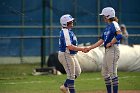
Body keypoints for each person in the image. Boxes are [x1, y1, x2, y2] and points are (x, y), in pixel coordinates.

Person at [85, 7, 122, 93]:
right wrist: (90, 48)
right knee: (105, 73)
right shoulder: (108, 27)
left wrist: (111, 43)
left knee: (113, 73)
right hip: (108, 51)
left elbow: (119, 35)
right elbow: (101, 41)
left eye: (104, 16)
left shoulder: (114, 24)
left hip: (113, 50)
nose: (103, 17)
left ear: (108, 16)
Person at [58, 14, 86, 93]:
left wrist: (80, 49)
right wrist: (82, 49)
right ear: (65, 23)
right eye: (70, 22)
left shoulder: (68, 31)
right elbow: (69, 47)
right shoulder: (65, 32)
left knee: (77, 72)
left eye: (71, 21)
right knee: (71, 75)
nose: (72, 23)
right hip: (66, 55)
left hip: (70, 55)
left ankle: (65, 86)